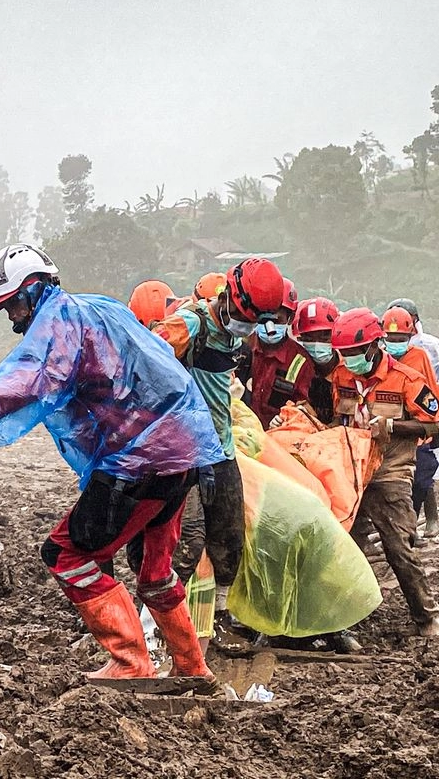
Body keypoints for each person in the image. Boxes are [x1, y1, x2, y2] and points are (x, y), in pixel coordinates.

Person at [0, 244, 224, 682]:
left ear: (34, 289)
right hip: (181, 454)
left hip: (136, 462)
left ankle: (131, 664)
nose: (14, 320)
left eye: (14, 305)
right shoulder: (101, 307)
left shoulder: (60, 321)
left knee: (65, 553)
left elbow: (29, 375)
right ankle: (192, 668)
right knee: (155, 571)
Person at [152, 258, 286, 629]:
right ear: (228, 296)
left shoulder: (237, 335)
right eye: (244, 315)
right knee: (188, 540)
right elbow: (149, 357)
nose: (247, 326)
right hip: (184, 452)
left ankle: (221, 612)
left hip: (221, 448)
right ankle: (155, 622)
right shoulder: (191, 324)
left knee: (229, 536)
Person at [330, 308, 439, 636]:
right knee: (345, 545)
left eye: (355, 353)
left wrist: (392, 425)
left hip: (390, 473)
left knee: (398, 547)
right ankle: (344, 618)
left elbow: (432, 424)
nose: (350, 359)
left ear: (373, 346)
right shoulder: (341, 375)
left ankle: (427, 615)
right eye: (345, 354)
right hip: (351, 473)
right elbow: (340, 417)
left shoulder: (407, 379)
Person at [380, 306, 439, 539]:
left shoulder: (420, 356)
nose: (395, 343)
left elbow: (433, 386)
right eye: (390, 339)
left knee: (423, 473)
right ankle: (404, 529)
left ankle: (426, 520)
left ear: (410, 335)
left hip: (416, 424)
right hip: (389, 424)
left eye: (400, 339)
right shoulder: (379, 359)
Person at [237, 279, 310, 426]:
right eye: (264, 319)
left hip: (276, 440)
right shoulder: (241, 346)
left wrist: (287, 419)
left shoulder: (301, 361)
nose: (269, 326)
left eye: (277, 320)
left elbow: (304, 410)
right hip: (240, 433)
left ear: (289, 319)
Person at [290, 297, 341, 425]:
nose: (317, 343)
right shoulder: (296, 367)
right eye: (310, 337)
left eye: (324, 335)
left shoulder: (350, 369)